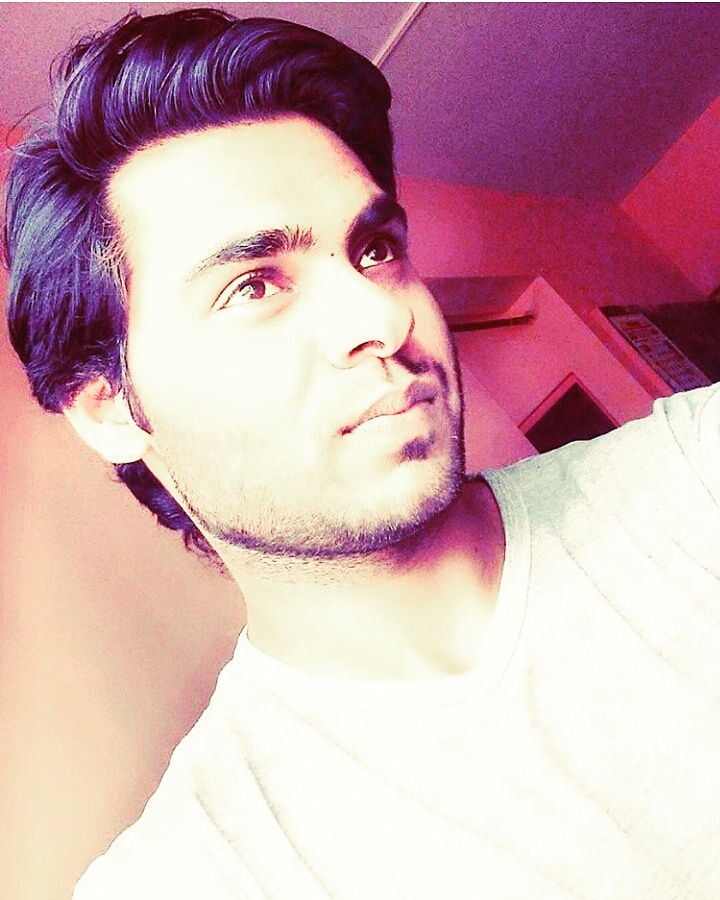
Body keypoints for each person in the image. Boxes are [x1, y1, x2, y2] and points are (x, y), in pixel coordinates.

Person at [4, 7, 720, 898]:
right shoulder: (200, 872)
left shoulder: (693, 475)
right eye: (252, 285)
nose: (382, 315)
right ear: (112, 410)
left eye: (375, 250)